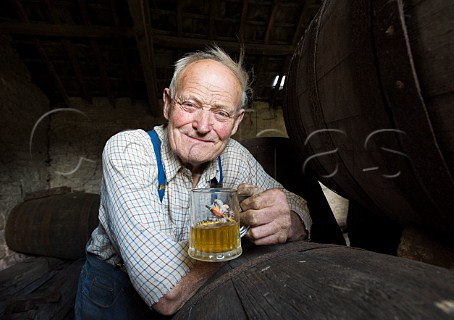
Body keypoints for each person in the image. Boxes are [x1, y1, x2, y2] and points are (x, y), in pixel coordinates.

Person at [74, 45, 312, 319]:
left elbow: (295, 204)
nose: (202, 125)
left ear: (236, 122)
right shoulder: (129, 150)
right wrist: (242, 241)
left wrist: (288, 220)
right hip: (114, 289)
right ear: (167, 103)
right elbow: (166, 295)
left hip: (197, 290)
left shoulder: (234, 156)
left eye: (221, 113)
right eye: (190, 105)